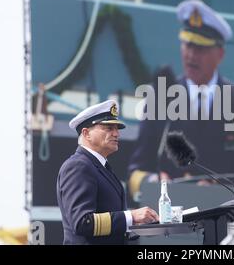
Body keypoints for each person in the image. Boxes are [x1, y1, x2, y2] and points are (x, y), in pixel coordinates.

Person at [127, 0, 234, 196]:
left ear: (220, 54)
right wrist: (154, 181)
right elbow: (136, 171)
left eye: (200, 48)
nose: (191, 55)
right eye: (187, 45)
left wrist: (220, 189)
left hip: (226, 216)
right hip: (170, 214)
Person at [57, 99, 159, 245]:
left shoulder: (99, 166)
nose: (116, 133)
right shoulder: (78, 166)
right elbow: (82, 222)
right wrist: (131, 216)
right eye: (108, 128)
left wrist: (137, 225)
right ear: (86, 133)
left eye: (117, 128)